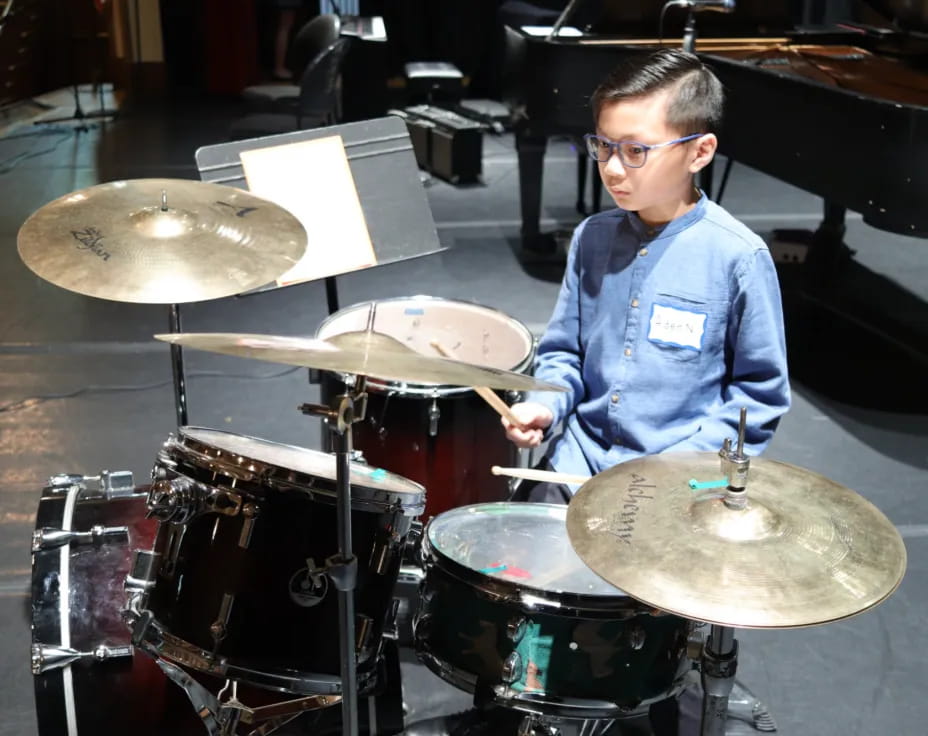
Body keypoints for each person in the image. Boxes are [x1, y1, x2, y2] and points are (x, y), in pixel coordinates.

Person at [504, 48, 791, 502]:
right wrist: (545, 404)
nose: (613, 168)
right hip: (577, 459)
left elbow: (759, 397)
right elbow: (564, 353)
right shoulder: (591, 238)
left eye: (636, 150)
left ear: (700, 151)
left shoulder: (738, 257)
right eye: (604, 146)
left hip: (672, 480)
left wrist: (682, 469)